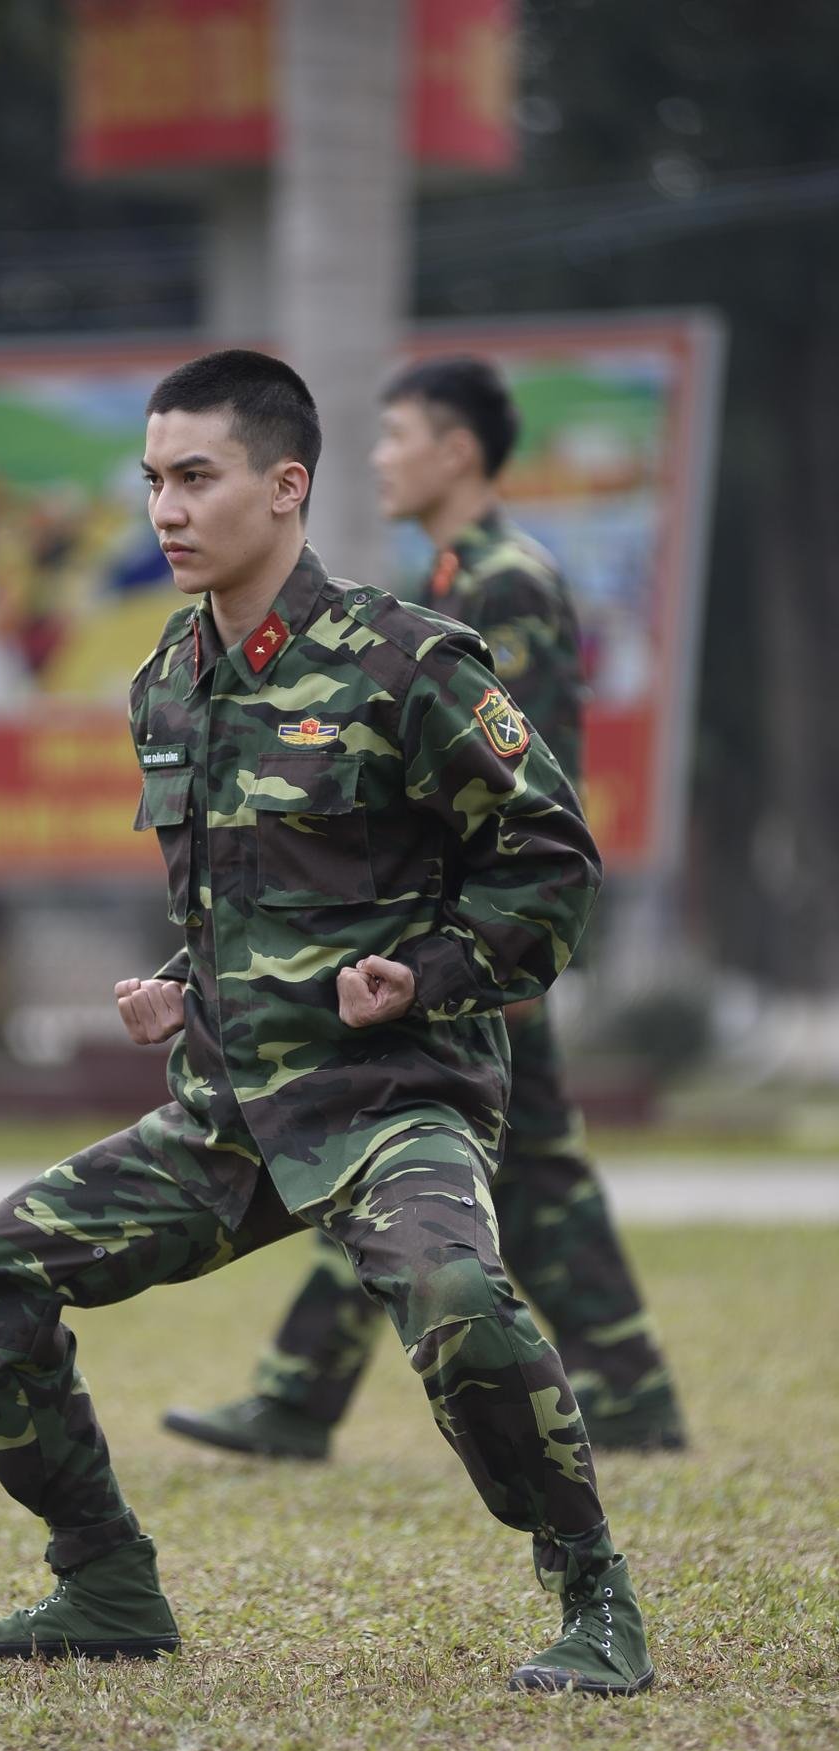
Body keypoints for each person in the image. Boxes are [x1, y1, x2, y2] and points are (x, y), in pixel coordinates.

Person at [0, 349, 653, 1695]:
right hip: (234, 1110)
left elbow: (551, 865)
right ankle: (105, 1581)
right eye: (151, 481)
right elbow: (246, 898)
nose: (166, 509)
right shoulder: (168, 680)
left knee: (455, 1297)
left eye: (195, 477)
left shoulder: (409, 661)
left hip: (392, 1098)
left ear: (286, 484)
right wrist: (175, 985)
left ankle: (593, 1589)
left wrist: (426, 976)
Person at [162, 356, 686, 1464]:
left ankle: (303, 1395)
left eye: (397, 437)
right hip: (429, 945)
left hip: (470, 949)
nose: (382, 460)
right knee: (480, 1158)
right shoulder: (451, 573)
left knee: (401, 1147)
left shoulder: (506, 580)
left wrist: (482, 953)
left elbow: (518, 793)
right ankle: (620, 1389)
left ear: (456, 451)